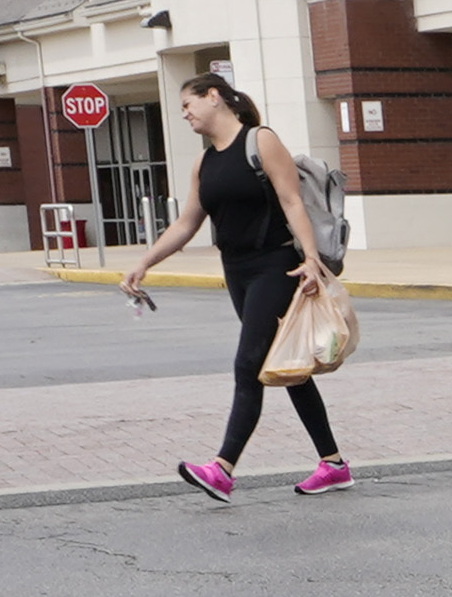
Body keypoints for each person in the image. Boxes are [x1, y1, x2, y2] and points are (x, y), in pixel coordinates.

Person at [118, 68, 348, 499]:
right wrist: (143, 263)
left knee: (249, 365)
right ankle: (333, 464)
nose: (184, 114)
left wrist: (312, 260)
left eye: (187, 105)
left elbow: (291, 199)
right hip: (237, 271)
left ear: (213, 97)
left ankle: (222, 469)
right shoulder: (204, 162)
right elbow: (187, 223)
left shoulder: (260, 140)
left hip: (276, 264)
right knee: (288, 369)